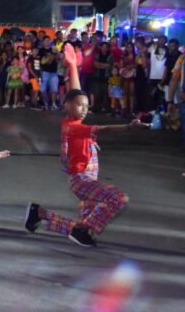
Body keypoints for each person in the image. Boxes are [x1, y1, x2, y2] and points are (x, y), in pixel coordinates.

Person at [25, 44, 148, 247]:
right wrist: (128, 126)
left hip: (86, 177)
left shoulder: (73, 119)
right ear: (67, 106)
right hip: (82, 180)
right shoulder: (73, 128)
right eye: (79, 106)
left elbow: (75, 92)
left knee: (84, 223)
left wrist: (73, 65)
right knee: (118, 199)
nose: (83, 109)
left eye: (86, 106)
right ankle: (82, 230)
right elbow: (103, 128)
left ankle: (39, 213)